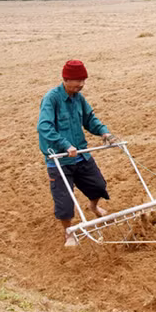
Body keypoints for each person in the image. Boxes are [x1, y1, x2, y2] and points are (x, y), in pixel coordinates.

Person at [37, 60, 117, 246]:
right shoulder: (52, 99)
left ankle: (94, 206)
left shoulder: (78, 98)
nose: (80, 84)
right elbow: (44, 126)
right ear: (65, 79)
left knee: (98, 185)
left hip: (80, 153)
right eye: (77, 80)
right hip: (59, 159)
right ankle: (69, 232)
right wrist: (65, 145)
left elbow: (90, 119)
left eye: (83, 80)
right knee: (64, 201)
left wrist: (104, 132)